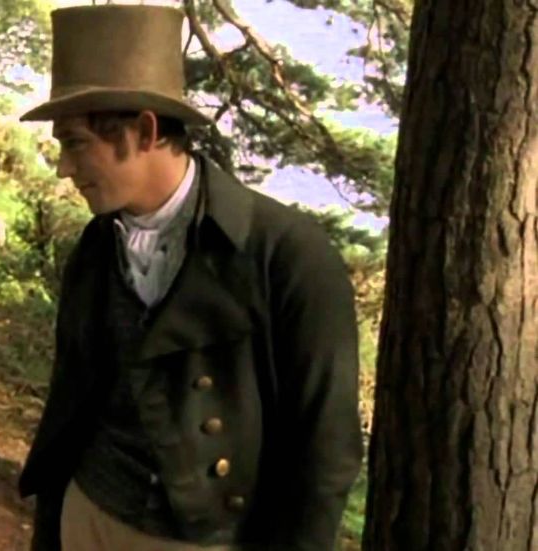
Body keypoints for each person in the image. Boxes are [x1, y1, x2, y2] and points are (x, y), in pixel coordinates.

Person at [18, 5, 363, 551]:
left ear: (145, 131)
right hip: (88, 516)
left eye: (76, 143)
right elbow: (71, 404)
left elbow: (326, 451)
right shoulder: (95, 246)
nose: (64, 167)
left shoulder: (289, 255)